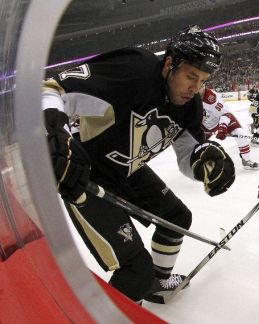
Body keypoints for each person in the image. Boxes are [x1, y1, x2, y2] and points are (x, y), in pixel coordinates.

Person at [41, 25, 235, 305]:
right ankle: (136, 293)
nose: (195, 89)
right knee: (136, 270)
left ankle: (156, 284)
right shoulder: (133, 70)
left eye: (203, 80)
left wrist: (205, 165)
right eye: (191, 76)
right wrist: (57, 133)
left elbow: (187, 155)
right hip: (86, 175)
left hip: (126, 171)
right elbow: (52, 89)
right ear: (170, 64)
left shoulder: (191, 106)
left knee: (177, 219)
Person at [200, 85, 259, 170]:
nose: (197, 88)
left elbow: (225, 114)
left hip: (222, 118)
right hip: (205, 124)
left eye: (200, 86)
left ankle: (246, 160)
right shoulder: (188, 97)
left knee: (240, 134)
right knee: (195, 144)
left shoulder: (211, 97)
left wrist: (222, 127)